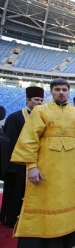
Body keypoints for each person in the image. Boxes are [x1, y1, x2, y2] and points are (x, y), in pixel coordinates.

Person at [10, 78, 75, 248]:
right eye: (57, 89)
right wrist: (32, 166)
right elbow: (29, 139)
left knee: (68, 202)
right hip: (46, 170)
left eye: (64, 89)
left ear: (69, 91)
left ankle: (64, 242)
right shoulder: (40, 111)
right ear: (51, 91)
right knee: (43, 203)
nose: (61, 92)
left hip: (72, 170)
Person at [0, 86, 44, 227]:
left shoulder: (43, 118)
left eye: (41, 100)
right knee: (15, 192)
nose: (39, 103)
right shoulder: (15, 118)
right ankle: (11, 219)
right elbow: (9, 143)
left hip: (37, 163)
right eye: (36, 100)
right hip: (18, 165)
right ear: (28, 100)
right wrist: (11, 167)